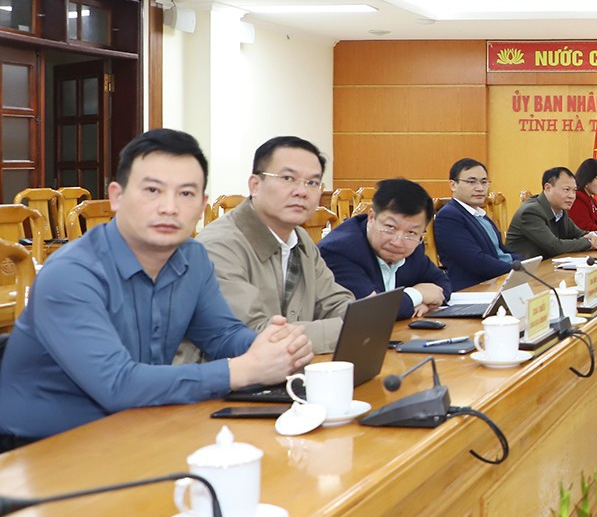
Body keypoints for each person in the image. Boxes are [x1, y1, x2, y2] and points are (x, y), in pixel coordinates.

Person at [0, 128, 313, 447]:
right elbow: (117, 384)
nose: (169, 207)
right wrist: (243, 370)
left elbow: (222, 335)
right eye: (152, 190)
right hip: (38, 447)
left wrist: (273, 346)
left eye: (186, 194)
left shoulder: (193, 258)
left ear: (202, 204)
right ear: (116, 197)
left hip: (136, 425)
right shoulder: (71, 273)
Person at [191, 135, 354, 354]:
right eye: (288, 178)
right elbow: (252, 336)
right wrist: (345, 329)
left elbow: (335, 303)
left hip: (291, 369)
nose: (302, 191)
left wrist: (355, 320)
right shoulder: (219, 246)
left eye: (312, 183)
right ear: (255, 185)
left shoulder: (299, 238)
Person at [319, 178, 451, 319]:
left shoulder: (414, 246)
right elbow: (371, 311)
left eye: (411, 232)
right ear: (371, 217)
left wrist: (424, 304)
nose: (398, 242)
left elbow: (441, 284)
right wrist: (418, 295)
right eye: (390, 227)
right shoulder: (339, 250)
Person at [434, 158, 515, 291]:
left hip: (498, 280)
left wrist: (525, 264)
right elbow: (475, 261)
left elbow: (502, 251)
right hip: (474, 289)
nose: (480, 188)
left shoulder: (480, 214)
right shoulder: (449, 216)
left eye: (484, 182)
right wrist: (515, 270)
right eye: (471, 182)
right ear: (453, 185)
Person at [506, 166, 597, 259]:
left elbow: (579, 234)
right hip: (524, 269)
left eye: (574, 190)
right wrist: (589, 242)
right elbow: (555, 246)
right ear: (548, 188)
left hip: (548, 265)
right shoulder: (531, 212)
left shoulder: (560, 210)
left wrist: (592, 235)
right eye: (566, 189)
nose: (572, 196)